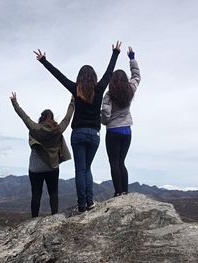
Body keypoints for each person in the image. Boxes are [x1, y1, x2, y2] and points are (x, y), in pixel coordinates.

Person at [34, 41, 121, 212]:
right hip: (94, 135)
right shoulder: (100, 88)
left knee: (80, 170)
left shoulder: (75, 89)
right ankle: (90, 202)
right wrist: (115, 53)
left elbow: (59, 76)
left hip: (78, 134)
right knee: (87, 169)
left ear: (80, 77)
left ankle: (82, 205)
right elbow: (109, 72)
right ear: (94, 77)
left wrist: (44, 61)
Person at [10, 92, 74, 217]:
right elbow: (68, 117)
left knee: (36, 194)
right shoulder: (58, 129)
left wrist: (14, 102)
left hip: (35, 168)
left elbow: (24, 117)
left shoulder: (35, 128)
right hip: (52, 167)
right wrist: (73, 102)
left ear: (42, 118)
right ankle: (54, 216)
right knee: (53, 193)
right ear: (52, 117)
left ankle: (34, 218)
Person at [101, 46, 141, 197]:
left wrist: (104, 121)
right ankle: (125, 191)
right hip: (127, 131)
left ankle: (118, 192)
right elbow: (136, 76)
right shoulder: (130, 89)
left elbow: (106, 113)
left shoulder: (109, 94)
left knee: (114, 163)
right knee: (122, 162)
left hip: (113, 131)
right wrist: (132, 58)